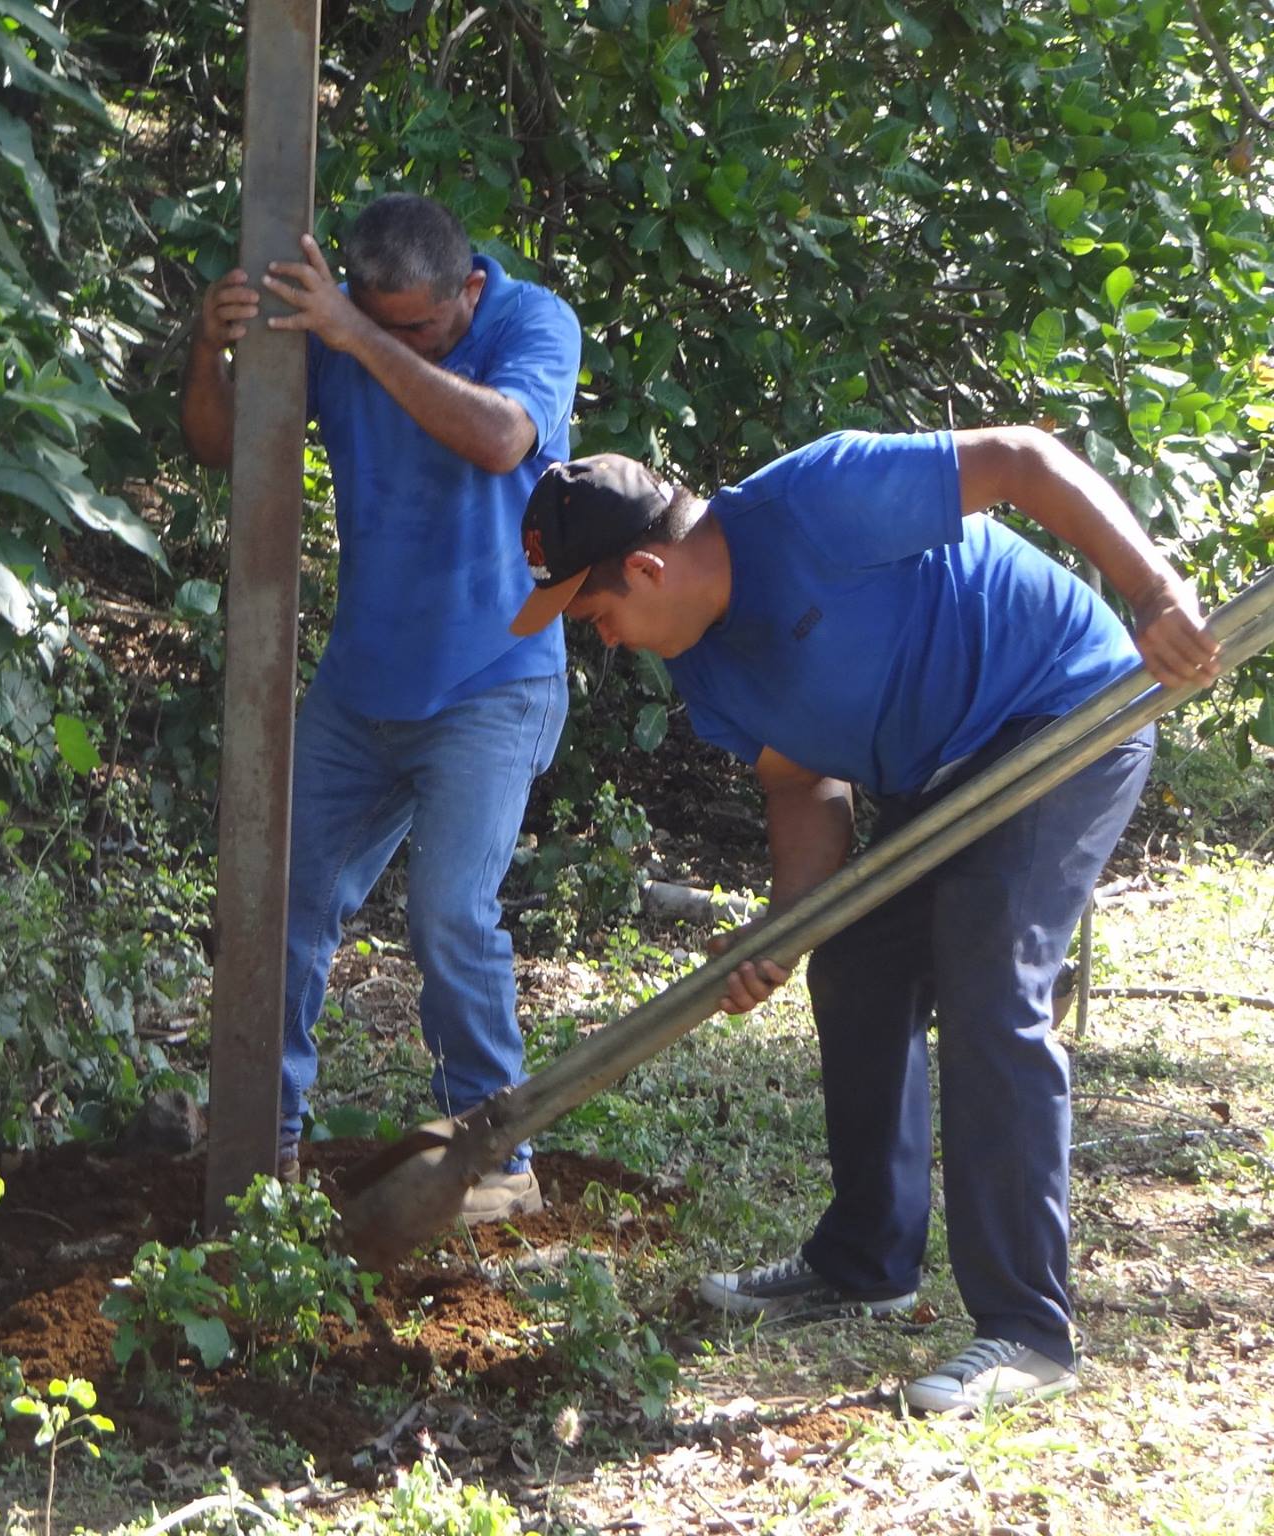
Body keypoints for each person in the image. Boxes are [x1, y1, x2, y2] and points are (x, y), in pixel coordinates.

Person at [510, 428, 1220, 1412]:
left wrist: (1150, 594)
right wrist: (786, 931)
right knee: (851, 965)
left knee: (987, 982)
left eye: (594, 612)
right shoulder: (703, 670)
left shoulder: (817, 500)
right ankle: (865, 1262)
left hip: (1059, 709)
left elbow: (1019, 459)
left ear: (644, 565)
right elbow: (801, 781)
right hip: (933, 777)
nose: (601, 637)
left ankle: (1026, 1332)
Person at [182, 193, 582, 1222]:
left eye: (426, 327)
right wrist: (212, 351)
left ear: (469, 289)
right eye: (384, 319)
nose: (411, 340)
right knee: (275, 900)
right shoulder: (338, 322)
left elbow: (500, 441)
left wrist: (359, 335)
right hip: (363, 688)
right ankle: (258, 1139)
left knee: (448, 915)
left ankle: (494, 1157)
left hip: (493, 683)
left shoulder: (531, 323)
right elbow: (223, 450)